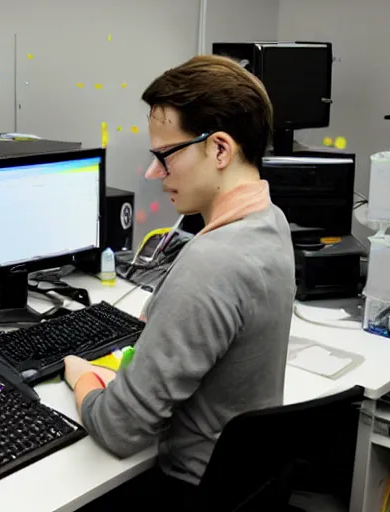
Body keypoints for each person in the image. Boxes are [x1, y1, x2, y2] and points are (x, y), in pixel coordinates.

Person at [64, 54, 296, 509]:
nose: (154, 173)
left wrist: (83, 378)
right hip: (246, 485)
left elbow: (118, 429)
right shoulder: (271, 220)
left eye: (164, 156)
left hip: (189, 491)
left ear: (221, 150)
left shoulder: (210, 262)